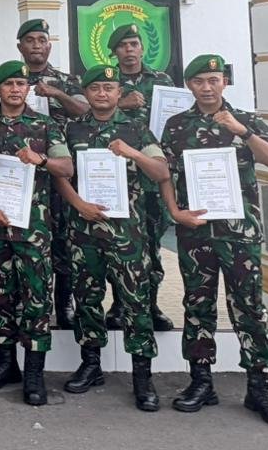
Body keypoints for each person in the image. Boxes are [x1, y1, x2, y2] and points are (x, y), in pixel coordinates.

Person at [159, 54, 268, 428]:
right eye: (199, 81)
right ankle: (201, 381)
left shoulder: (247, 120)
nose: (207, 87)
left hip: (239, 233)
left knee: (248, 308)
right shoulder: (177, 125)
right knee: (197, 305)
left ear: (224, 83)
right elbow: (166, 173)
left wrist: (242, 131)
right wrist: (174, 211)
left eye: (213, 80)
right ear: (189, 85)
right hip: (196, 232)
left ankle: (259, 387)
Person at [54, 65, 168, 411]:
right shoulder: (71, 128)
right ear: (86, 93)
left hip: (126, 234)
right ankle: (91, 364)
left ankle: (142, 376)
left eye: (109, 88)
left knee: (135, 302)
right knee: (87, 298)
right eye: (95, 88)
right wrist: (79, 204)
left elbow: (161, 171)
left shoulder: (137, 129)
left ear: (119, 93)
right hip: (84, 230)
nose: (102, 94)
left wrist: (133, 153)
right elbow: (61, 175)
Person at [0, 60, 72, 406]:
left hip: (33, 229)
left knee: (36, 296)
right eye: (9, 84)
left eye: (20, 84)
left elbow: (66, 167)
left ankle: (34, 372)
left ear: (27, 88)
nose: (15, 89)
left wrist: (41, 160)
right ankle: (6, 363)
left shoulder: (45, 125)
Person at [17, 18, 88, 331]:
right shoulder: (12, 77)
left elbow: (85, 112)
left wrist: (57, 94)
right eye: (30, 40)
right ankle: (26, 301)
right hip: (23, 173)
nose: (36, 45)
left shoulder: (67, 80)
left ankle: (64, 304)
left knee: (63, 238)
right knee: (23, 239)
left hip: (60, 172)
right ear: (20, 46)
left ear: (49, 45)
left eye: (41, 40)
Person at [108, 22, 176, 331]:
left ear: (142, 48)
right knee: (119, 242)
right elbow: (93, 112)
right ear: (115, 52)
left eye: (134, 44)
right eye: (123, 45)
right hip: (118, 175)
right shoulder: (108, 82)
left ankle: (151, 304)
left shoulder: (161, 81)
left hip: (151, 174)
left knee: (151, 242)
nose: (129, 50)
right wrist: (122, 102)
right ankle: (120, 304)